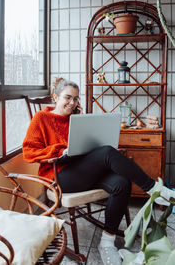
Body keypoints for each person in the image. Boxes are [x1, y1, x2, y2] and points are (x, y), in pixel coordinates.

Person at [23, 78, 175, 265]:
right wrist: (60, 151)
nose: (72, 103)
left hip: (83, 171)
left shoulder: (76, 118)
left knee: (121, 183)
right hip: (60, 175)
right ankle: (154, 189)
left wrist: (83, 120)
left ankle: (107, 242)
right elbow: (28, 151)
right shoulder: (41, 118)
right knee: (107, 152)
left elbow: (87, 145)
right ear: (55, 97)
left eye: (76, 99)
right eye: (68, 98)